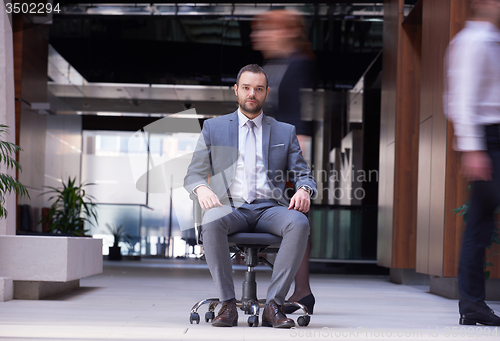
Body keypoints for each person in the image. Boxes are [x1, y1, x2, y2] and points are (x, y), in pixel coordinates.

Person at [184, 64, 316, 328]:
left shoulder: (284, 131)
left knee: (299, 223)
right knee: (211, 219)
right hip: (230, 206)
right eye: (246, 88)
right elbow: (193, 174)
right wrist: (202, 188)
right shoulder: (214, 128)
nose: (251, 94)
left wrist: (304, 189)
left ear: (266, 93)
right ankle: (228, 304)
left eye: (258, 89)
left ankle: (274, 305)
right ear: (236, 90)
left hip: (271, 208)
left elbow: (304, 174)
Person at [250, 9, 316, 314]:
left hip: (289, 154)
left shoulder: (297, 64)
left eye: (265, 29)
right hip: (270, 156)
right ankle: (299, 291)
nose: (257, 35)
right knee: (291, 220)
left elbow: (298, 112)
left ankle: (300, 291)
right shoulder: (272, 66)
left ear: (286, 32)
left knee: (295, 219)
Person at [445, 0, 500, 326]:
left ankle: (472, 305)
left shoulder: (491, 39)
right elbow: (460, 98)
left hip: (492, 139)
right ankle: (471, 304)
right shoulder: (472, 41)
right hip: (488, 140)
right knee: (479, 225)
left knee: (479, 225)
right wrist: (473, 149)